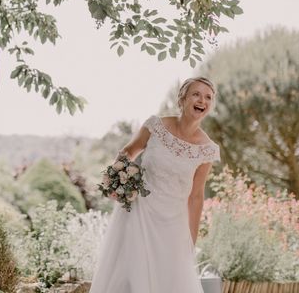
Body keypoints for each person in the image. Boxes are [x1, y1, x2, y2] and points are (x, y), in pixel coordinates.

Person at [90, 77, 220, 293]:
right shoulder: (155, 126)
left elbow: (196, 197)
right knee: (129, 277)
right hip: (139, 212)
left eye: (208, 97)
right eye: (196, 94)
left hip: (172, 225)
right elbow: (128, 152)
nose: (202, 101)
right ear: (183, 98)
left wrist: (190, 241)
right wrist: (116, 181)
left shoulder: (207, 149)